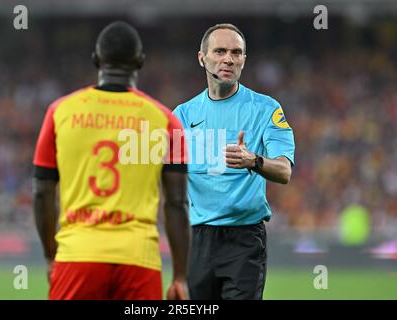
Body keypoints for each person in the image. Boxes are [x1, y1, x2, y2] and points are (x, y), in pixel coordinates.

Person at [32, 21, 190, 300]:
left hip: (77, 255)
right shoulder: (165, 119)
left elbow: (43, 193)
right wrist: (179, 276)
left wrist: (50, 257)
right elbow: (176, 203)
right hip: (138, 259)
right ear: (140, 61)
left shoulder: (60, 112)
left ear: (95, 59)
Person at [173, 23, 295, 300]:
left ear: (243, 60)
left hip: (244, 240)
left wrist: (254, 160)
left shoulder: (266, 109)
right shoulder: (181, 115)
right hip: (196, 240)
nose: (229, 58)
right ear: (202, 58)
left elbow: (284, 170)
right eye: (220, 51)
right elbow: (168, 176)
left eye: (236, 53)